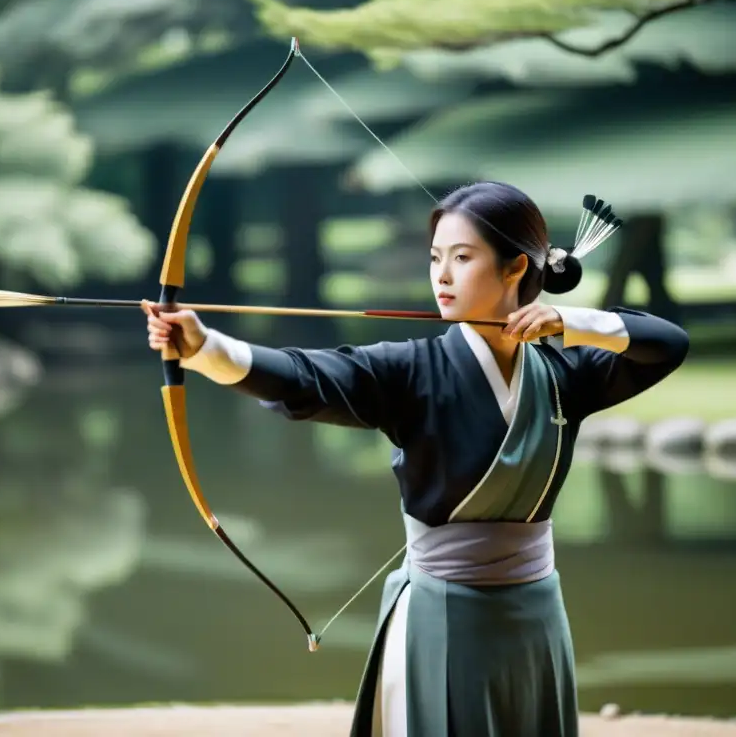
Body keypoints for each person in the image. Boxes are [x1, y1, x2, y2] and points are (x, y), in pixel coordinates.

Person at [144, 181, 689, 737]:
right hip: (442, 615)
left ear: (514, 269)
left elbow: (668, 344)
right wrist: (205, 348)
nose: (442, 276)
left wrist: (573, 323)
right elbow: (306, 378)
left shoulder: (563, 376)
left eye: (462, 257)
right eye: (435, 258)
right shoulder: (410, 371)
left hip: (536, 613)